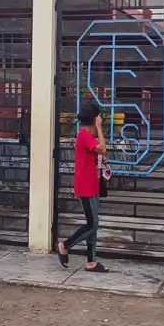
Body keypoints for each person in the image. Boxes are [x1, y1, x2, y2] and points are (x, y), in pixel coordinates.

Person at [56, 102, 109, 272]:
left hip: (91, 185)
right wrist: (99, 128)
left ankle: (91, 262)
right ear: (95, 120)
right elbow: (103, 150)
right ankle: (65, 246)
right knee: (92, 225)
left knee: (93, 224)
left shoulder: (87, 137)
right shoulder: (84, 136)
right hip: (85, 186)